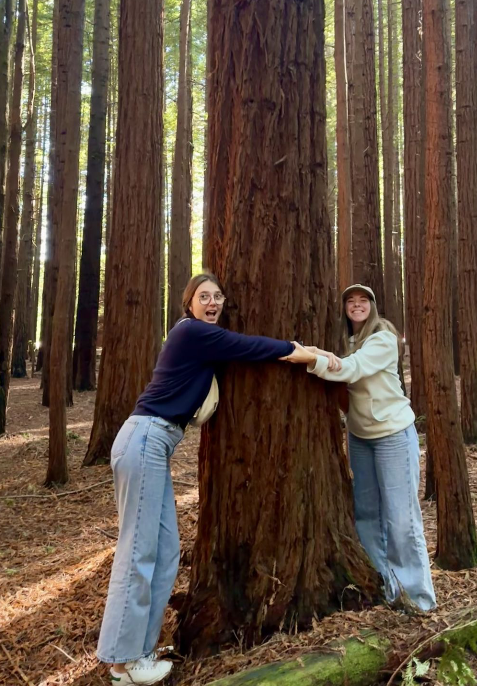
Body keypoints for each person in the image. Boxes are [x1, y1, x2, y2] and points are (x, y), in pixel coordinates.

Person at [98, 272, 313, 685]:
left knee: (165, 552)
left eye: (217, 297)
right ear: (189, 304)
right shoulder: (191, 333)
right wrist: (295, 351)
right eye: (203, 296)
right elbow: (247, 346)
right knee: (139, 551)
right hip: (144, 438)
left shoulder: (201, 341)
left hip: (154, 445)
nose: (212, 302)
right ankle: (122, 661)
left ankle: (139, 651)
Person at [284, 283, 436, 611]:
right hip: (360, 437)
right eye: (350, 301)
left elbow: (351, 368)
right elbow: (340, 361)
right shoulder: (348, 342)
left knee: (401, 518)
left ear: (373, 305)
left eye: (363, 300)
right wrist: (314, 351)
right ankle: (386, 587)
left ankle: (420, 599)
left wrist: (309, 358)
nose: (356, 305)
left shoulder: (383, 338)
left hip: (393, 434)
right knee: (366, 516)